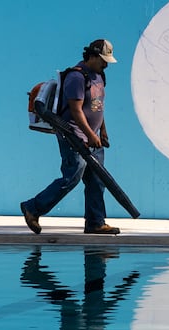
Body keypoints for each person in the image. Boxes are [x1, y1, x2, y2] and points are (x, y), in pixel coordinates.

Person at [21, 39, 120, 235]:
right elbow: (75, 110)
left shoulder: (99, 76)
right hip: (74, 135)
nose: (106, 64)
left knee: (96, 180)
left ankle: (95, 222)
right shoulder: (76, 77)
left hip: (92, 137)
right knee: (72, 177)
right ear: (91, 56)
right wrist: (90, 134)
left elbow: (97, 105)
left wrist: (102, 130)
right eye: (103, 60)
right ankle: (33, 208)